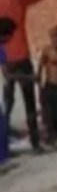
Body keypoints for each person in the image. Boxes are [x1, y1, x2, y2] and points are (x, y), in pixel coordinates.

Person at [0, 0, 52, 153]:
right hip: (22, 55)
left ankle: (3, 144)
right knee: (30, 101)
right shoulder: (20, 0)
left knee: (7, 103)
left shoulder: (2, 2)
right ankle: (36, 144)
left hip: (5, 58)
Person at [36, 25, 57, 144]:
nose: (56, 39)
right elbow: (40, 65)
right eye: (54, 37)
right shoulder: (47, 50)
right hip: (49, 86)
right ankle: (48, 135)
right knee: (47, 114)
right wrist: (39, 82)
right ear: (51, 38)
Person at [0, 17, 15, 165]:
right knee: (2, 124)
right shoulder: (1, 50)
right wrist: (28, 78)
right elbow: (6, 74)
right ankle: (2, 157)